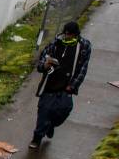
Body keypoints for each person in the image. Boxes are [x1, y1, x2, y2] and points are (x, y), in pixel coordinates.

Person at [29, 21, 91, 149]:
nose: (67, 37)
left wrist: (73, 85)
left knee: (64, 110)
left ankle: (50, 125)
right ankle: (37, 138)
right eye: (66, 34)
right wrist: (45, 65)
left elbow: (83, 69)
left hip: (66, 86)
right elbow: (42, 59)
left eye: (70, 35)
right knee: (44, 111)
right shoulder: (56, 43)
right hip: (50, 84)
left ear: (76, 35)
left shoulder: (84, 46)